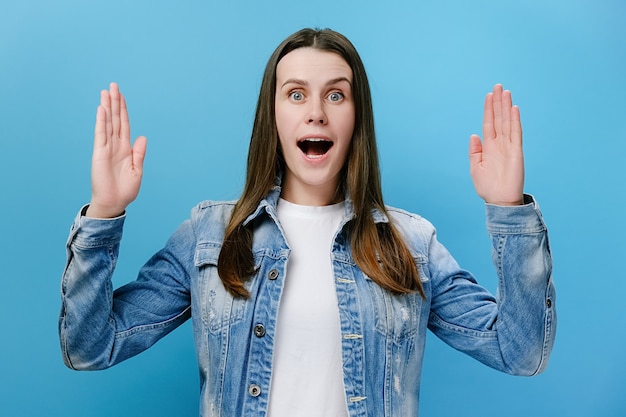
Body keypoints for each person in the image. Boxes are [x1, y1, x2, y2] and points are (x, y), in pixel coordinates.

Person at [59, 28, 556, 417]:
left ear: (356, 116)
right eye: (295, 94)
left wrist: (508, 209)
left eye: (335, 95)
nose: (316, 113)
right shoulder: (210, 235)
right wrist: (104, 212)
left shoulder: (411, 244)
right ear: (272, 115)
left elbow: (520, 351)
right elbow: (90, 346)